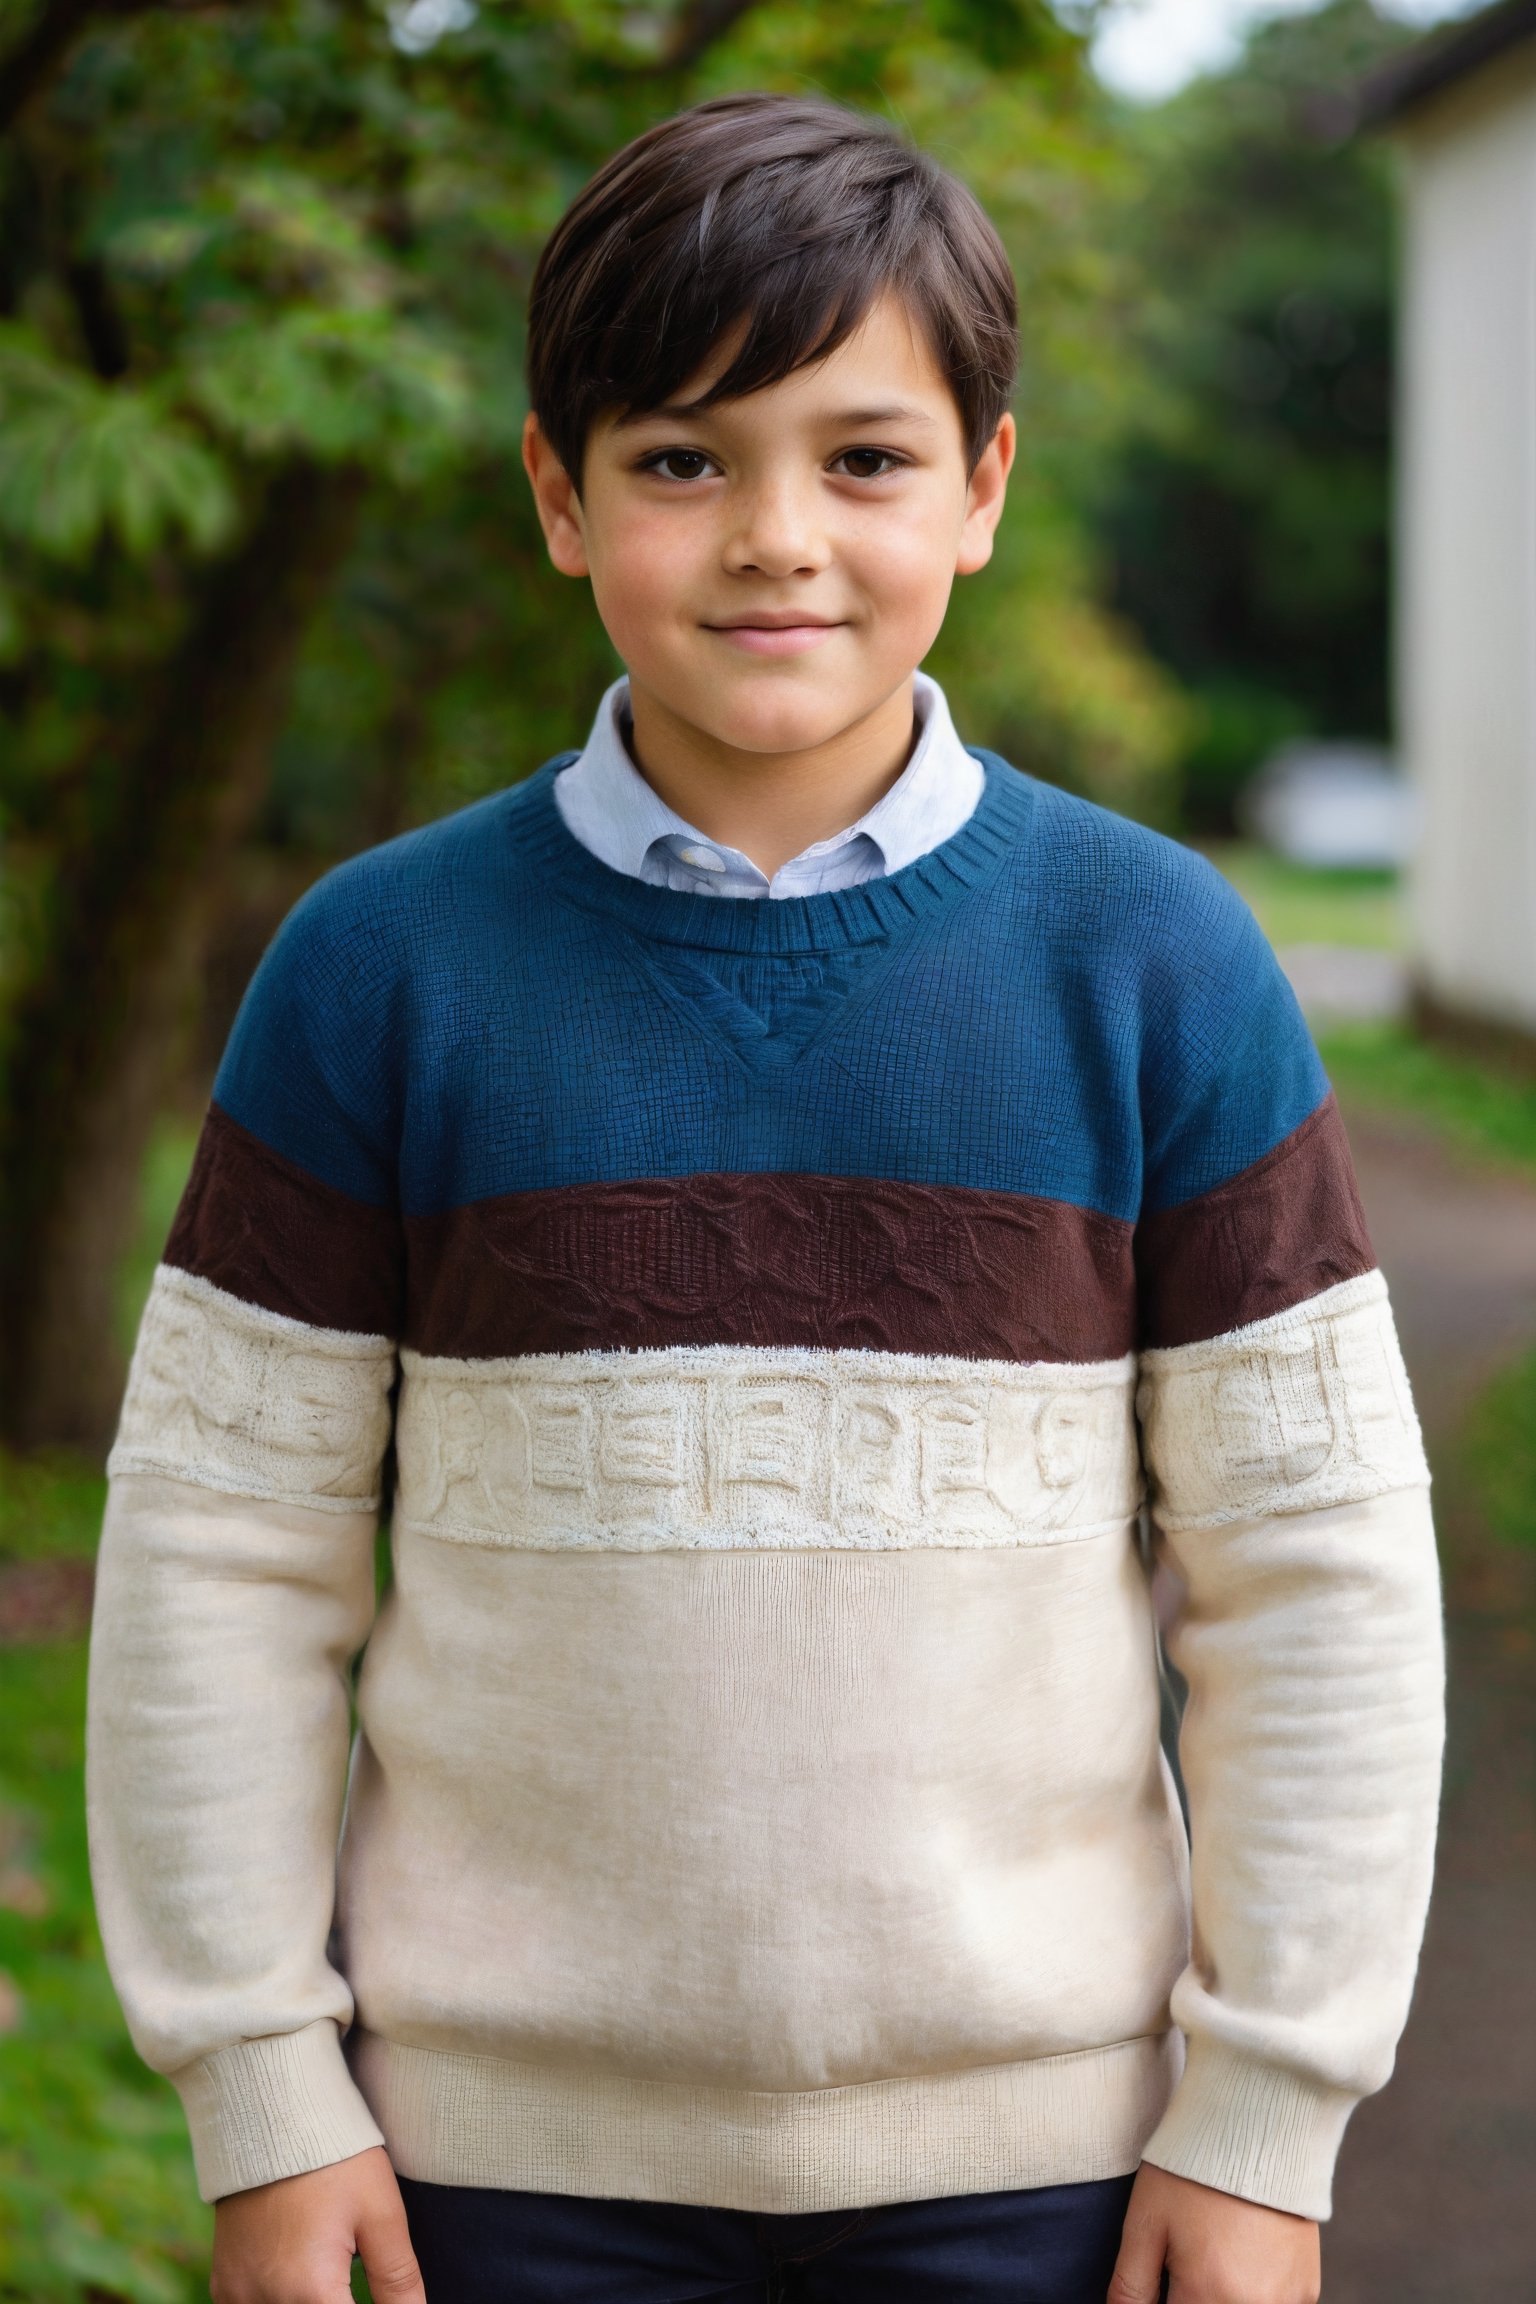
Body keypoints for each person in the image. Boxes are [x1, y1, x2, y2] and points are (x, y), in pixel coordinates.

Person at [86, 92, 1445, 2304]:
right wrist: (260, 2085)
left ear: (986, 488)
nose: (777, 537)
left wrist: (1270, 2119)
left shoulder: (1158, 963)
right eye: (684, 459)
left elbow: (1319, 1581)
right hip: (478, 2181)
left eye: (868, 457)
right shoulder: (377, 970)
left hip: (1059, 2178)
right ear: (560, 495)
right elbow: (222, 1563)